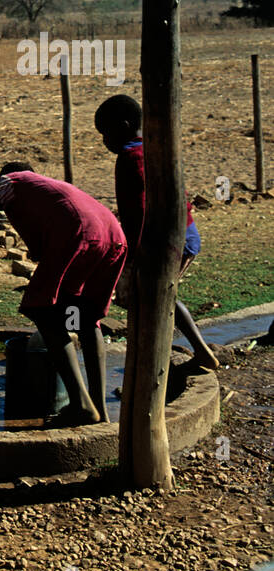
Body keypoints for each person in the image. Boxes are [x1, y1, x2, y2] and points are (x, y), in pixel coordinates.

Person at [0, 162, 127, 427]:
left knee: (41, 310)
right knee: (84, 319)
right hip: (113, 233)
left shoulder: (9, 181)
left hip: (79, 233)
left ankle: (81, 405)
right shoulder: (47, 188)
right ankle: (99, 410)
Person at [94, 94, 220, 371]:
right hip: (182, 235)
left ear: (124, 126)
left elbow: (139, 212)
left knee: (152, 298)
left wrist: (132, 257)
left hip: (162, 240)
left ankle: (154, 366)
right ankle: (168, 358)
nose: (104, 141)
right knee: (155, 297)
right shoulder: (155, 148)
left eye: (105, 133)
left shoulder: (130, 157)